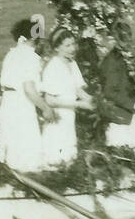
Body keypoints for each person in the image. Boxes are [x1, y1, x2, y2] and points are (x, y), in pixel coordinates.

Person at [0, 19, 55, 172]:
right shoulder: (30, 57)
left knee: (11, 149)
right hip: (21, 106)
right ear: (34, 38)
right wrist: (45, 108)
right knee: (27, 151)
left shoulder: (11, 54)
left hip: (7, 103)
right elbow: (29, 89)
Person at [39, 27, 95, 167]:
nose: (72, 49)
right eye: (67, 45)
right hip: (57, 117)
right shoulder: (53, 66)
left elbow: (79, 91)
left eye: (73, 44)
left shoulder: (72, 63)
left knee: (70, 156)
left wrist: (96, 102)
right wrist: (80, 105)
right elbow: (49, 100)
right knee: (58, 158)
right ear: (57, 48)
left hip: (70, 116)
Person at [95, 23, 135, 148]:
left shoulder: (127, 57)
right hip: (117, 117)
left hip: (128, 114)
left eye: (129, 40)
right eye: (125, 41)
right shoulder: (111, 61)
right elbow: (109, 92)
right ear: (117, 40)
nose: (128, 45)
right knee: (121, 154)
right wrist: (133, 104)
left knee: (133, 153)